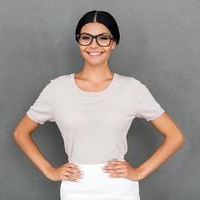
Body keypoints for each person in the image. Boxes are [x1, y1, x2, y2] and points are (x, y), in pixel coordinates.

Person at [13, 10, 185, 200]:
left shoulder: (132, 88)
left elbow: (175, 136)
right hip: (76, 186)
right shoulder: (57, 88)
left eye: (103, 38)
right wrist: (49, 171)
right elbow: (21, 132)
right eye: (86, 38)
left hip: (119, 187)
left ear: (113, 43)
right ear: (79, 42)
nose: (94, 45)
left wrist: (139, 172)